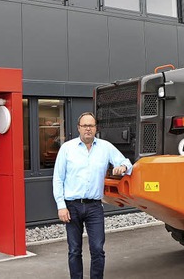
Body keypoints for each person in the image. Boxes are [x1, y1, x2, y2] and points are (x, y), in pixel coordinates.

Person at [52, 112, 132, 279]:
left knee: (97, 249)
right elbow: (58, 179)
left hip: (94, 206)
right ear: (78, 128)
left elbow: (126, 162)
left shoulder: (105, 147)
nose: (88, 129)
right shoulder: (67, 148)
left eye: (91, 126)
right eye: (84, 126)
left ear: (96, 128)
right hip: (72, 206)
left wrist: (122, 168)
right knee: (74, 250)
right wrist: (61, 206)